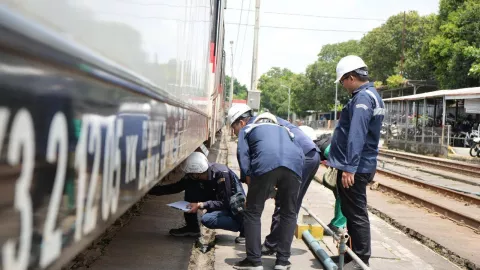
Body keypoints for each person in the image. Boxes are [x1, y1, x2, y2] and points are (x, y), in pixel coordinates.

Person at [227, 104, 321, 257]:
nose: (234, 132)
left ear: (242, 122)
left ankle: (273, 245)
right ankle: (280, 254)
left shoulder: (252, 127)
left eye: (233, 127)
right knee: (287, 205)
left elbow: (249, 165)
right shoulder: (266, 121)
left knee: (286, 205)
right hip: (303, 155)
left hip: (304, 157)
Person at [327, 55, 385, 269]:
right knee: (351, 212)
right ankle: (350, 256)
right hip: (362, 163)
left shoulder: (362, 99)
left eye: (342, 80)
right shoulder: (373, 95)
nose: (342, 85)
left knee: (357, 214)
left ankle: (360, 260)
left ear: (351, 77)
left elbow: (357, 134)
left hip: (357, 166)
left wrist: (350, 167)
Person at [148, 152, 246, 243]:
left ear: (197, 173)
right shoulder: (194, 177)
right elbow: (176, 187)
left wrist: (201, 205)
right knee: (191, 189)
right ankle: (192, 227)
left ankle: (244, 226)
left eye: (191, 174)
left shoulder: (221, 174)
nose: (189, 176)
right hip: (216, 200)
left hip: (232, 205)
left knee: (207, 219)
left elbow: (225, 202)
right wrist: (150, 190)